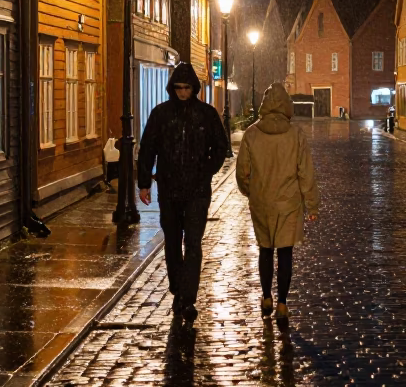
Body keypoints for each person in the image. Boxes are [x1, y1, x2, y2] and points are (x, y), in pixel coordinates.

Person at [137, 60, 228, 318]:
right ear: (172, 88)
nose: (182, 92)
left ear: (194, 88)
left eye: (187, 88)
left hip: (197, 190)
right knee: (173, 243)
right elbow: (148, 149)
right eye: (178, 88)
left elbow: (221, 148)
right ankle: (178, 287)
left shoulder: (206, 115)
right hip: (169, 190)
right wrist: (144, 183)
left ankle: (188, 298)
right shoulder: (161, 114)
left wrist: (206, 170)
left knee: (194, 243)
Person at [236, 82, 320, 333]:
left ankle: (266, 297)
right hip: (289, 203)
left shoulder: (252, 133)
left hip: (261, 202)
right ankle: (282, 302)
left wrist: (251, 191)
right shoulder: (296, 135)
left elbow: (242, 172)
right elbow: (306, 173)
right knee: (284, 253)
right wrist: (312, 204)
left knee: (264, 249)